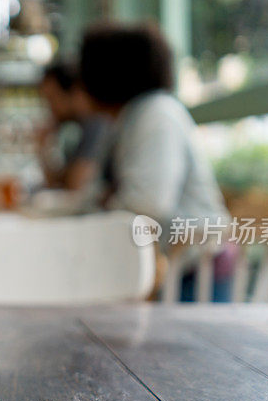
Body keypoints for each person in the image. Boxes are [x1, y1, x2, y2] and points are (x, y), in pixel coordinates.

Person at [78, 22, 231, 301]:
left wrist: (102, 204)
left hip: (192, 274)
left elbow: (148, 203)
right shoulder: (127, 119)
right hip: (165, 268)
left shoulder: (156, 114)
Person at [37, 63, 108, 192]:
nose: (50, 108)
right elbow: (55, 184)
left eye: (52, 99)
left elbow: (75, 185)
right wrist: (42, 148)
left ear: (74, 93)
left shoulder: (97, 123)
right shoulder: (78, 129)